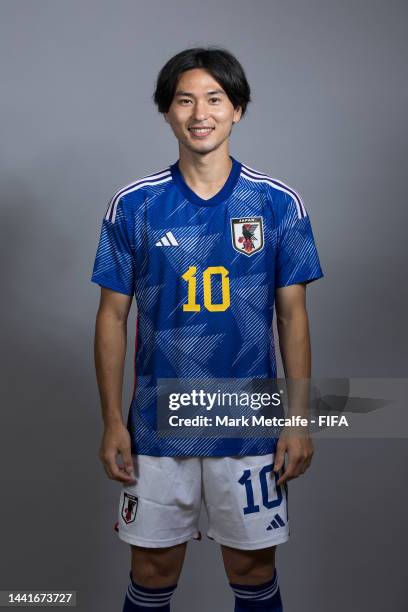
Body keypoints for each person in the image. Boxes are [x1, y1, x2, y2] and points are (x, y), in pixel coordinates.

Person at [91, 46, 324, 612]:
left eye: (215, 99)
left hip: (247, 426)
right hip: (157, 426)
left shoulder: (276, 203)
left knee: (252, 569)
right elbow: (112, 316)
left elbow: (292, 315)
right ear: (167, 112)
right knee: (150, 571)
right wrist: (112, 422)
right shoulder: (135, 205)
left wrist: (296, 423)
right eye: (185, 99)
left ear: (237, 109)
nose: (201, 112)